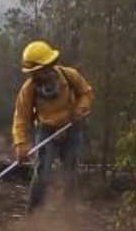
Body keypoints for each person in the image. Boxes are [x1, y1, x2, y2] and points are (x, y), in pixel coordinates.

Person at [12, 41, 94, 211]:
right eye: (35, 71)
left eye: (44, 68)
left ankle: (68, 212)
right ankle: (34, 214)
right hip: (46, 131)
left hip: (72, 128)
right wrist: (20, 144)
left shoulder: (69, 75)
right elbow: (20, 117)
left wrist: (81, 108)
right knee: (42, 173)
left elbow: (86, 92)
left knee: (70, 172)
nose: (40, 74)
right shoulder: (29, 89)